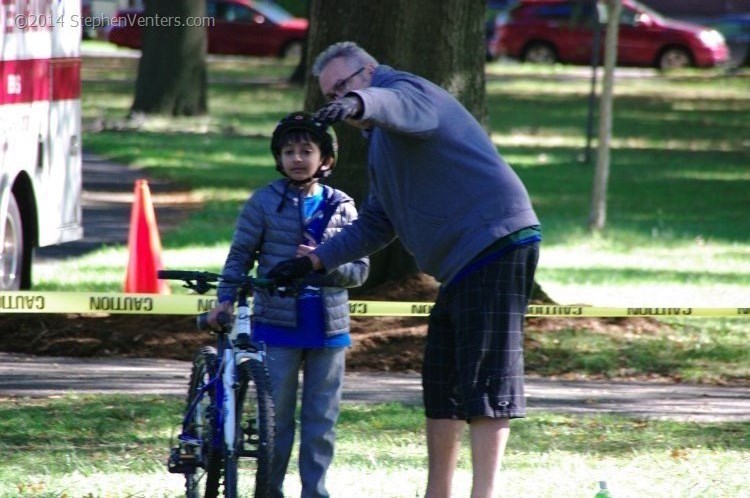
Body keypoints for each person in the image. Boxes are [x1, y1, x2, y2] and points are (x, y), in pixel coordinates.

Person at [267, 42, 541, 498]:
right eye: (331, 94)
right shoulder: (380, 144)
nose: (338, 100)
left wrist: (359, 101)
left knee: (486, 380)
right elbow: (378, 222)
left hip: (497, 240)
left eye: (343, 86)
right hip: (461, 265)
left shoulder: (409, 90)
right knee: (442, 381)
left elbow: (393, 104)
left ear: (369, 70)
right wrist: (312, 262)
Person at [208, 111, 369, 498]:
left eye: (306, 150)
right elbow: (240, 255)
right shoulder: (264, 202)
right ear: (278, 158)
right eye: (288, 151)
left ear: (325, 159)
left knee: (321, 420)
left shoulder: (342, 206)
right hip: (276, 326)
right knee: (274, 421)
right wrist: (225, 300)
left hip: (329, 331)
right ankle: (269, 490)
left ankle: (315, 492)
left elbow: (361, 271)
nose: (297, 158)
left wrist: (324, 261)